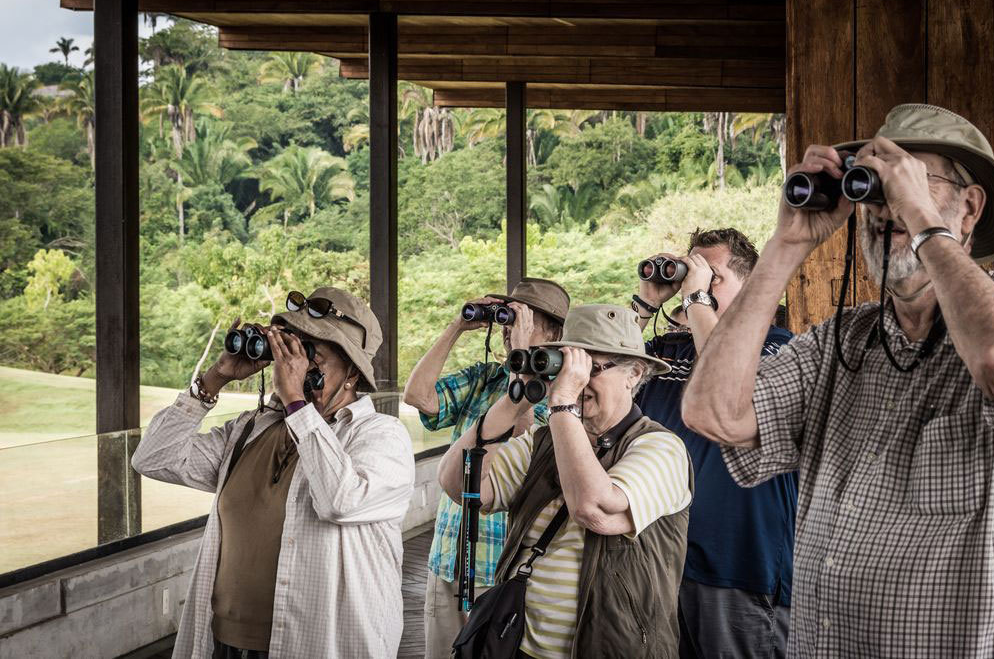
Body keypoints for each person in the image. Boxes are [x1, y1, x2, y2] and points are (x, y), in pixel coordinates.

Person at [682, 103, 994, 657]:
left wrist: (921, 219)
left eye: (911, 177)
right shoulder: (840, 340)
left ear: (970, 208)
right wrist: (786, 245)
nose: (886, 206)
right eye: (877, 186)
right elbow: (713, 413)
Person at [132, 287, 414, 659]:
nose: (293, 367)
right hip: (225, 642)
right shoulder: (252, 429)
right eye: (290, 351)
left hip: (319, 643)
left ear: (351, 372)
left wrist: (298, 402)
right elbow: (153, 458)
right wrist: (215, 378)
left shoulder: (380, 435)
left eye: (312, 356)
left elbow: (340, 501)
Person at [439, 304, 694, 658]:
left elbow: (592, 507)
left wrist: (561, 404)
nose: (577, 381)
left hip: (613, 649)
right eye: (571, 367)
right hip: (518, 645)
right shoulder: (544, 441)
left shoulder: (660, 447)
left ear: (634, 373)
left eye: (592, 367)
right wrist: (514, 399)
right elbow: (459, 485)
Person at [632, 228, 795, 659]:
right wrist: (647, 302)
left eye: (712, 276)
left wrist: (697, 300)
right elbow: (601, 369)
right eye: (690, 272)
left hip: (738, 568)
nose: (693, 284)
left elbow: (729, 387)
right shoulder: (666, 351)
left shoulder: (782, 350)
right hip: (662, 561)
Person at [403, 277, 570, 659]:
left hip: (501, 571)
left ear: (556, 331)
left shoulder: (561, 392)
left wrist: (524, 363)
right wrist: (457, 327)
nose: (513, 328)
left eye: (529, 320)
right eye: (511, 318)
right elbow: (418, 395)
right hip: (448, 558)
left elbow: (523, 445)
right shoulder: (484, 378)